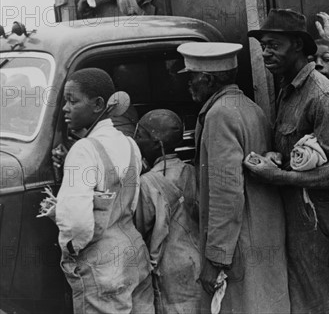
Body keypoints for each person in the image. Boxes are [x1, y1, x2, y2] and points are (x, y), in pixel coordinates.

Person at [244, 8, 329, 313]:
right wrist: (278, 158)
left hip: (318, 224)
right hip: (299, 223)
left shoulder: (320, 95)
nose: (266, 53)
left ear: (297, 45)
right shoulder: (288, 88)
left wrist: (281, 177)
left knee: (324, 305)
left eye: (273, 45)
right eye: (263, 46)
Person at [178, 42, 290, 313]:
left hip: (239, 243)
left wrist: (215, 259)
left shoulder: (220, 114)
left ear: (207, 79)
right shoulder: (248, 106)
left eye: (192, 78)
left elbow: (225, 192)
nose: (189, 84)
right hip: (260, 235)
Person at [53, 68, 154, 313]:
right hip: (133, 252)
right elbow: (131, 201)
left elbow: (76, 222)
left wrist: (70, 249)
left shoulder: (83, 150)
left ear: (98, 104)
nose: (65, 108)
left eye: (72, 101)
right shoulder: (129, 144)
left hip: (101, 263)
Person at [133, 109, 202, 314]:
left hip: (168, 267)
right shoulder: (192, 171)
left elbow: (140, 229)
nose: (135, 141)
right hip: (196, 260)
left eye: (140, 135)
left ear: (157, 143)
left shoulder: (147, 183)